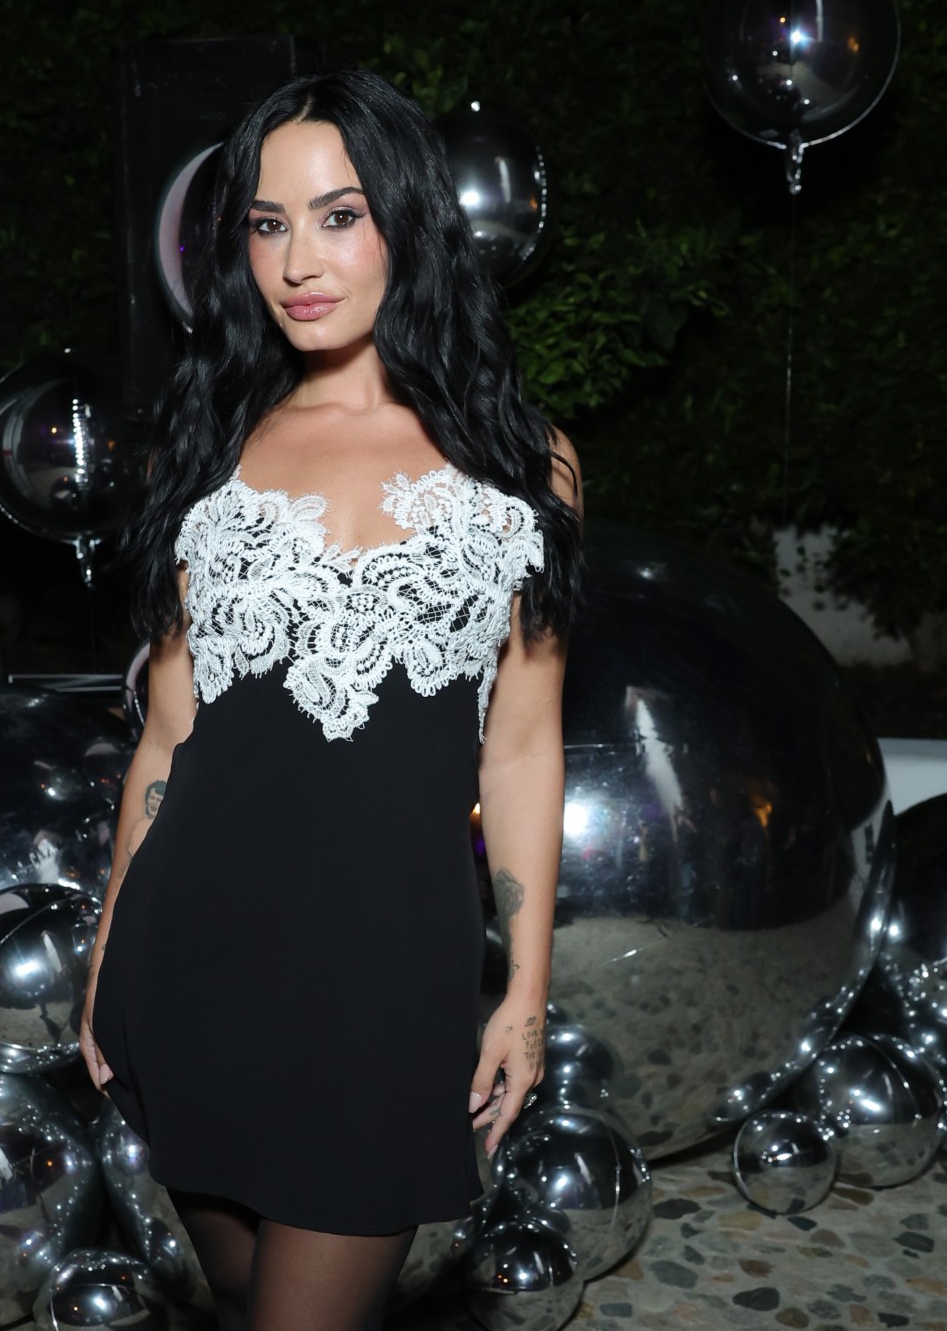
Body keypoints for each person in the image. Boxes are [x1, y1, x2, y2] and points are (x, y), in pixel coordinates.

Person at [79, 67, 583, 1331]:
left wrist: (520, 992)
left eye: (337, 215)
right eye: (266, 223)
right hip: (186, 962)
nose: (298, 259)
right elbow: (165, 733)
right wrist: (104, 960)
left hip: (379, 987)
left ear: (406, 221)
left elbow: (520, 748)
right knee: (251, 1299)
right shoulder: (210, 448)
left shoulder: (521, 464)